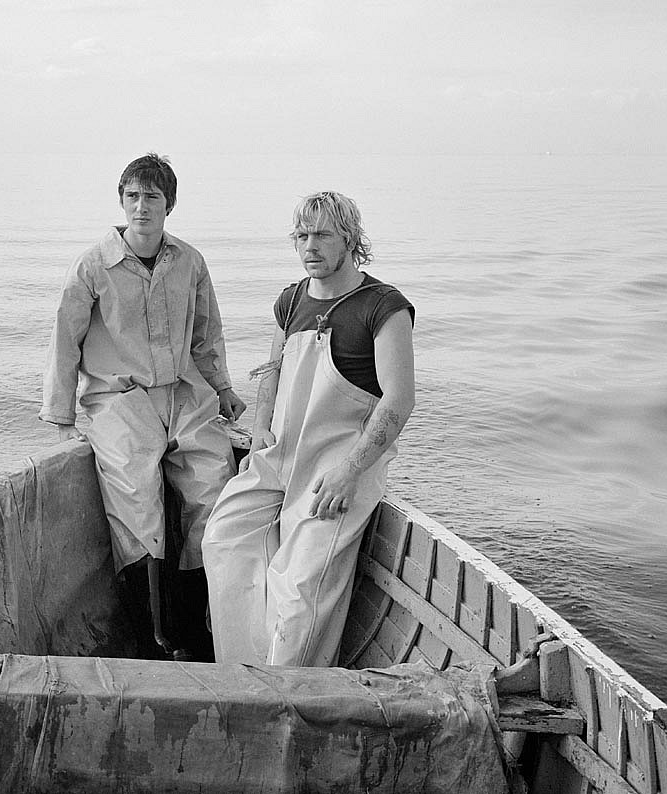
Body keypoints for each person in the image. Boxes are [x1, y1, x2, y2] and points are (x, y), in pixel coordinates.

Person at [40, 152, 245, 659]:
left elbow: (206, 335)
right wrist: (62, 414)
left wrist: (222, 389)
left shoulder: (190, 261)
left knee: (213, 487)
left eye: (152, 196)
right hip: (119, 399)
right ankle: (154, 638)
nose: (141, 206)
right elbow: (65, 340)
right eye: (132, 196)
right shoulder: (93, 265)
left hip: (183, 393)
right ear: (121, 202)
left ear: (169, 204)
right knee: (137, 502)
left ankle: (200, 629)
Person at [202, 190, 415, 668]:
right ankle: (246, 676)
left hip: (335, 470)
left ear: (349, 238)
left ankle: (293, 689)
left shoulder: (383, 307)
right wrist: (259, 428)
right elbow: (272, 373)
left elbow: (399, 402)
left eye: (321, 235)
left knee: (299, 590)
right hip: (278, 455)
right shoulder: (291, 299)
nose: (309, 247)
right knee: (223, 539)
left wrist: (351, 470)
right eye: (301, 236)